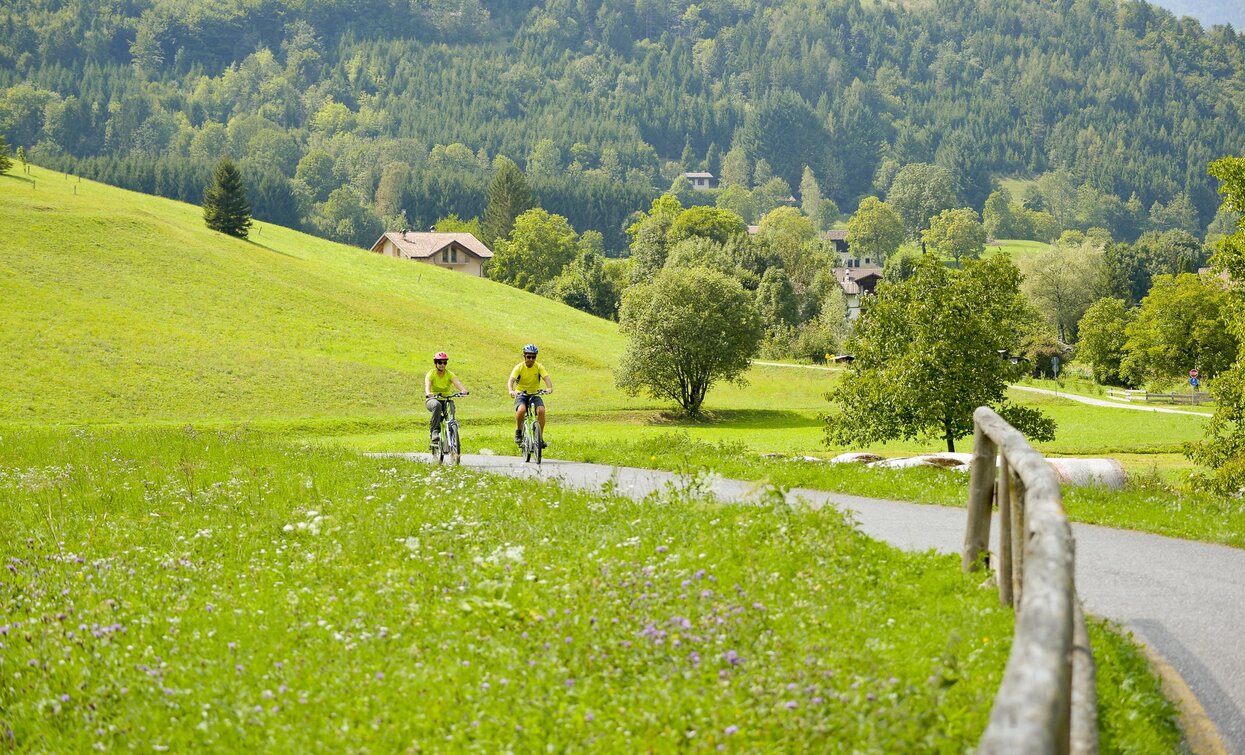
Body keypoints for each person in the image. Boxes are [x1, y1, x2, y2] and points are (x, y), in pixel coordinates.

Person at [507, 343, 553, 447]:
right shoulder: (519, 367)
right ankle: (518, 431)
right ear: (524, 357)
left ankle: (540, 438)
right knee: (521, 410)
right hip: (521, 394)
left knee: (541, 410)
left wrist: (549, 387)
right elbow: (511, 381)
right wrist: (511, 390)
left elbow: (546, 378)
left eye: (533, 357)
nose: (531, 359)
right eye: (528, 357)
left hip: (534, 393)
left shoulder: (539, 367)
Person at [425, 351, 467, 447]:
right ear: (436, 363)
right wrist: (429, 393)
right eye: (440, 362)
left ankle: (452, 429)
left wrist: (463, 390)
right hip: (432, 399)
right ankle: (435, 432)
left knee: (451, 405)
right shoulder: (431, 374)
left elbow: (457, 383)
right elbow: (427, 385)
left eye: (444, 363)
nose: (442, 365)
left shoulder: (449, 374)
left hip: (446, 399)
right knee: (437, 405)